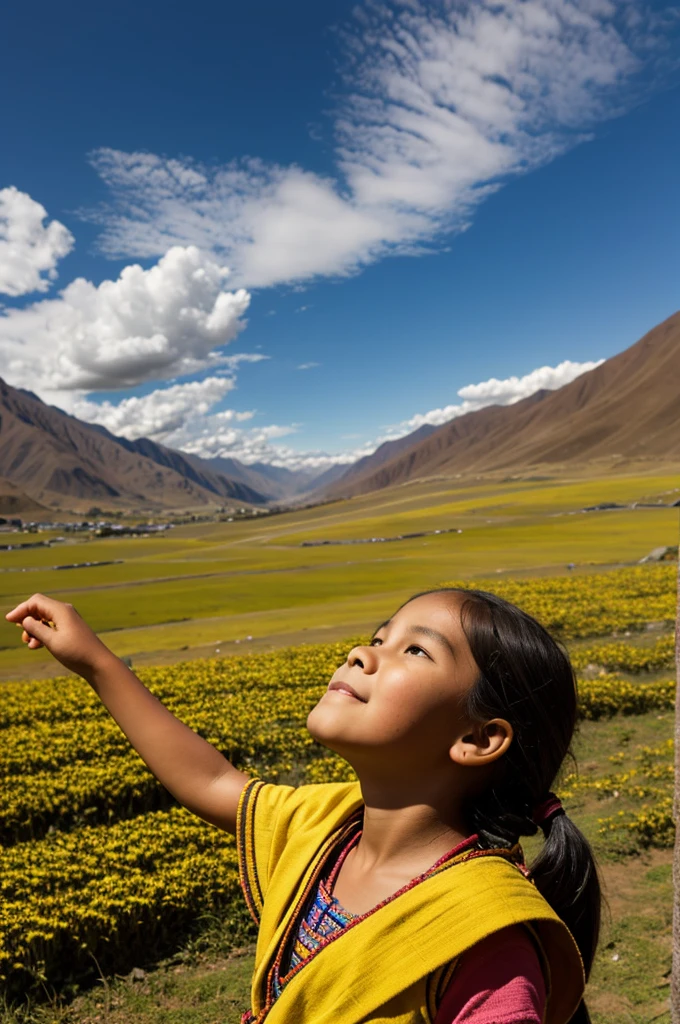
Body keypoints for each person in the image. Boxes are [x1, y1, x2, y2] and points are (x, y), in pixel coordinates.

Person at [6, 587, 600, 1024]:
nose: (360, 654)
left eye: (416, 652)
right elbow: (210, 780)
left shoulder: (485, 941)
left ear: (478, 739)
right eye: (377, 637)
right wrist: (97, 663)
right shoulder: (327, 828)